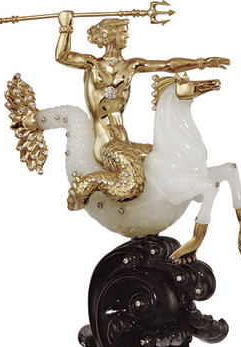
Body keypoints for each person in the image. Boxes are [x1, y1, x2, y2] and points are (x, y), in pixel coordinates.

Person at [56, 11, 229, 210]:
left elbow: (168, 65)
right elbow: (63, 56)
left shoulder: (131, 66)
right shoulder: (93, 65)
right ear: (110, 36)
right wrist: (66, 26)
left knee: (166, 159)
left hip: (125, 142)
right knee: (132, 184)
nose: (127, 36)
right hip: (106, 145)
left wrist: (200, 63)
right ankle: (88, 185)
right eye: (122, 32)